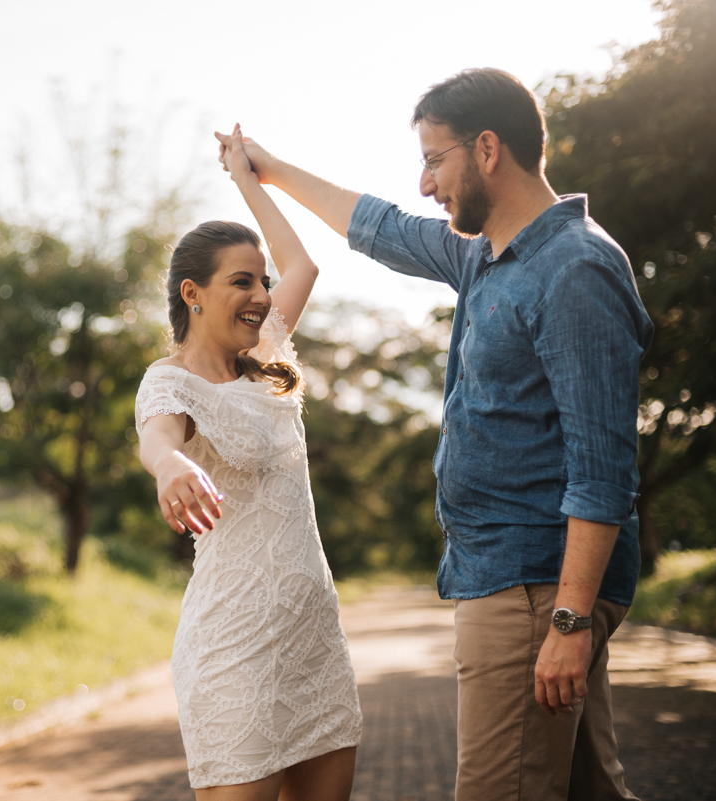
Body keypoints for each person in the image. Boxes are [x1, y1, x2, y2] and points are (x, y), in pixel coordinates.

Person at [216, 69, 651, 801]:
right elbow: (376, 226)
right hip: (517, 578)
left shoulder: (573, 268)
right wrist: (268, 168)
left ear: (487, 149)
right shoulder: (483, 255)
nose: (425, 184)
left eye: (434, 159)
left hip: (533, 586)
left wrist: (571, 619)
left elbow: (603, 465)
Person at [134, 124, 362, 801]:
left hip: (314, 638)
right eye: (242, 281)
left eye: (262, 282)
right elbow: (158, 436)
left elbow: (304, 266)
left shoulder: (267, 358)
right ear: (191, 293)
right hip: (232, 648)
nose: (263, 294)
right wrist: (169, 466)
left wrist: (246, 174)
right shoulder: (169, 382)